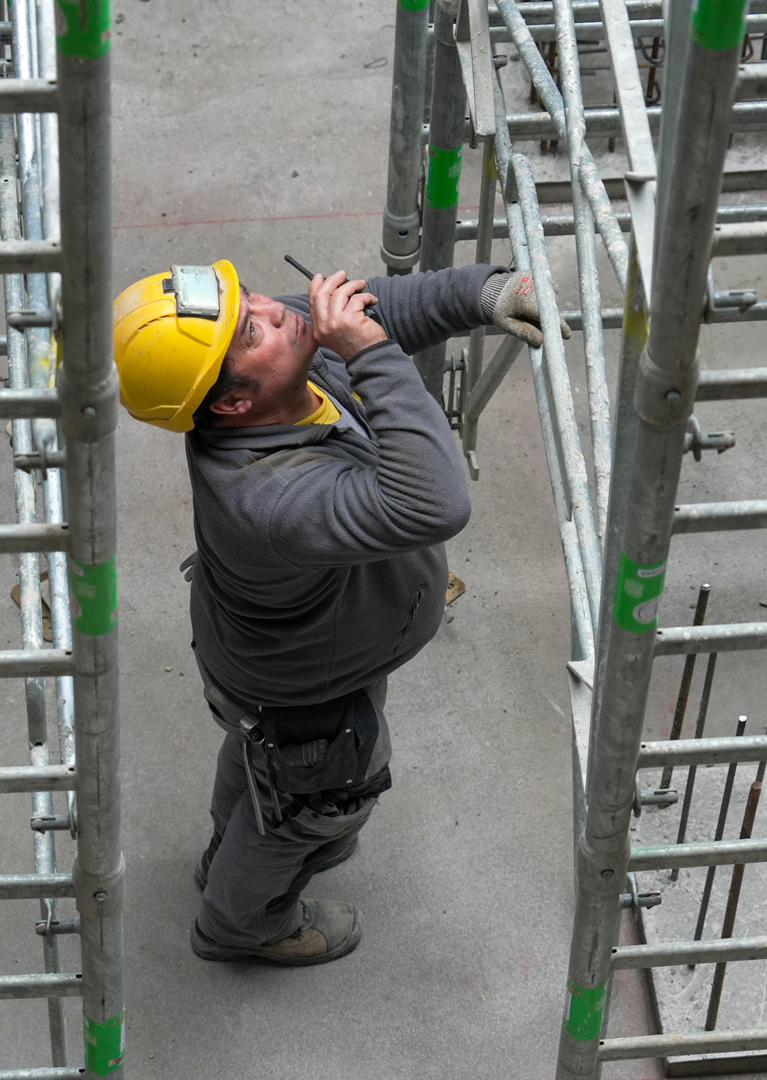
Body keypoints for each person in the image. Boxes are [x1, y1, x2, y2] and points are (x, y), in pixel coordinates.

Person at [111, 259, 564, 966]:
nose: (278, 308)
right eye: (253, 325)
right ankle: (240, 926)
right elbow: (436, 504)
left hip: (277, 661)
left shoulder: (265, 367)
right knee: (314, 807)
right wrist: (369, 355)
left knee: (259, 762)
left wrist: (484, 292)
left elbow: (378, 306)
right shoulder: (266, 497)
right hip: (305, 689)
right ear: (232, 404)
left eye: (249, 296)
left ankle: (224, 859)